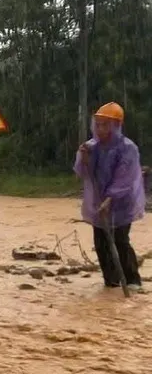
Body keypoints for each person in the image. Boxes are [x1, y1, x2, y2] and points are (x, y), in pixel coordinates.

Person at [74, 102, 145, 290]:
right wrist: (84, 159)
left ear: (116, 126)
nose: (100, 128)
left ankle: (132, 280)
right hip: (99, 202)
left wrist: (110, 199)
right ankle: (111, 282)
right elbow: (83, 172)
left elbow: (125, 178)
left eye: (105, 124)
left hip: (122, 204)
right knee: (101, 243)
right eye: (97, 124)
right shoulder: (92, 147)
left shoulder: (127, 148)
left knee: (120, 240)